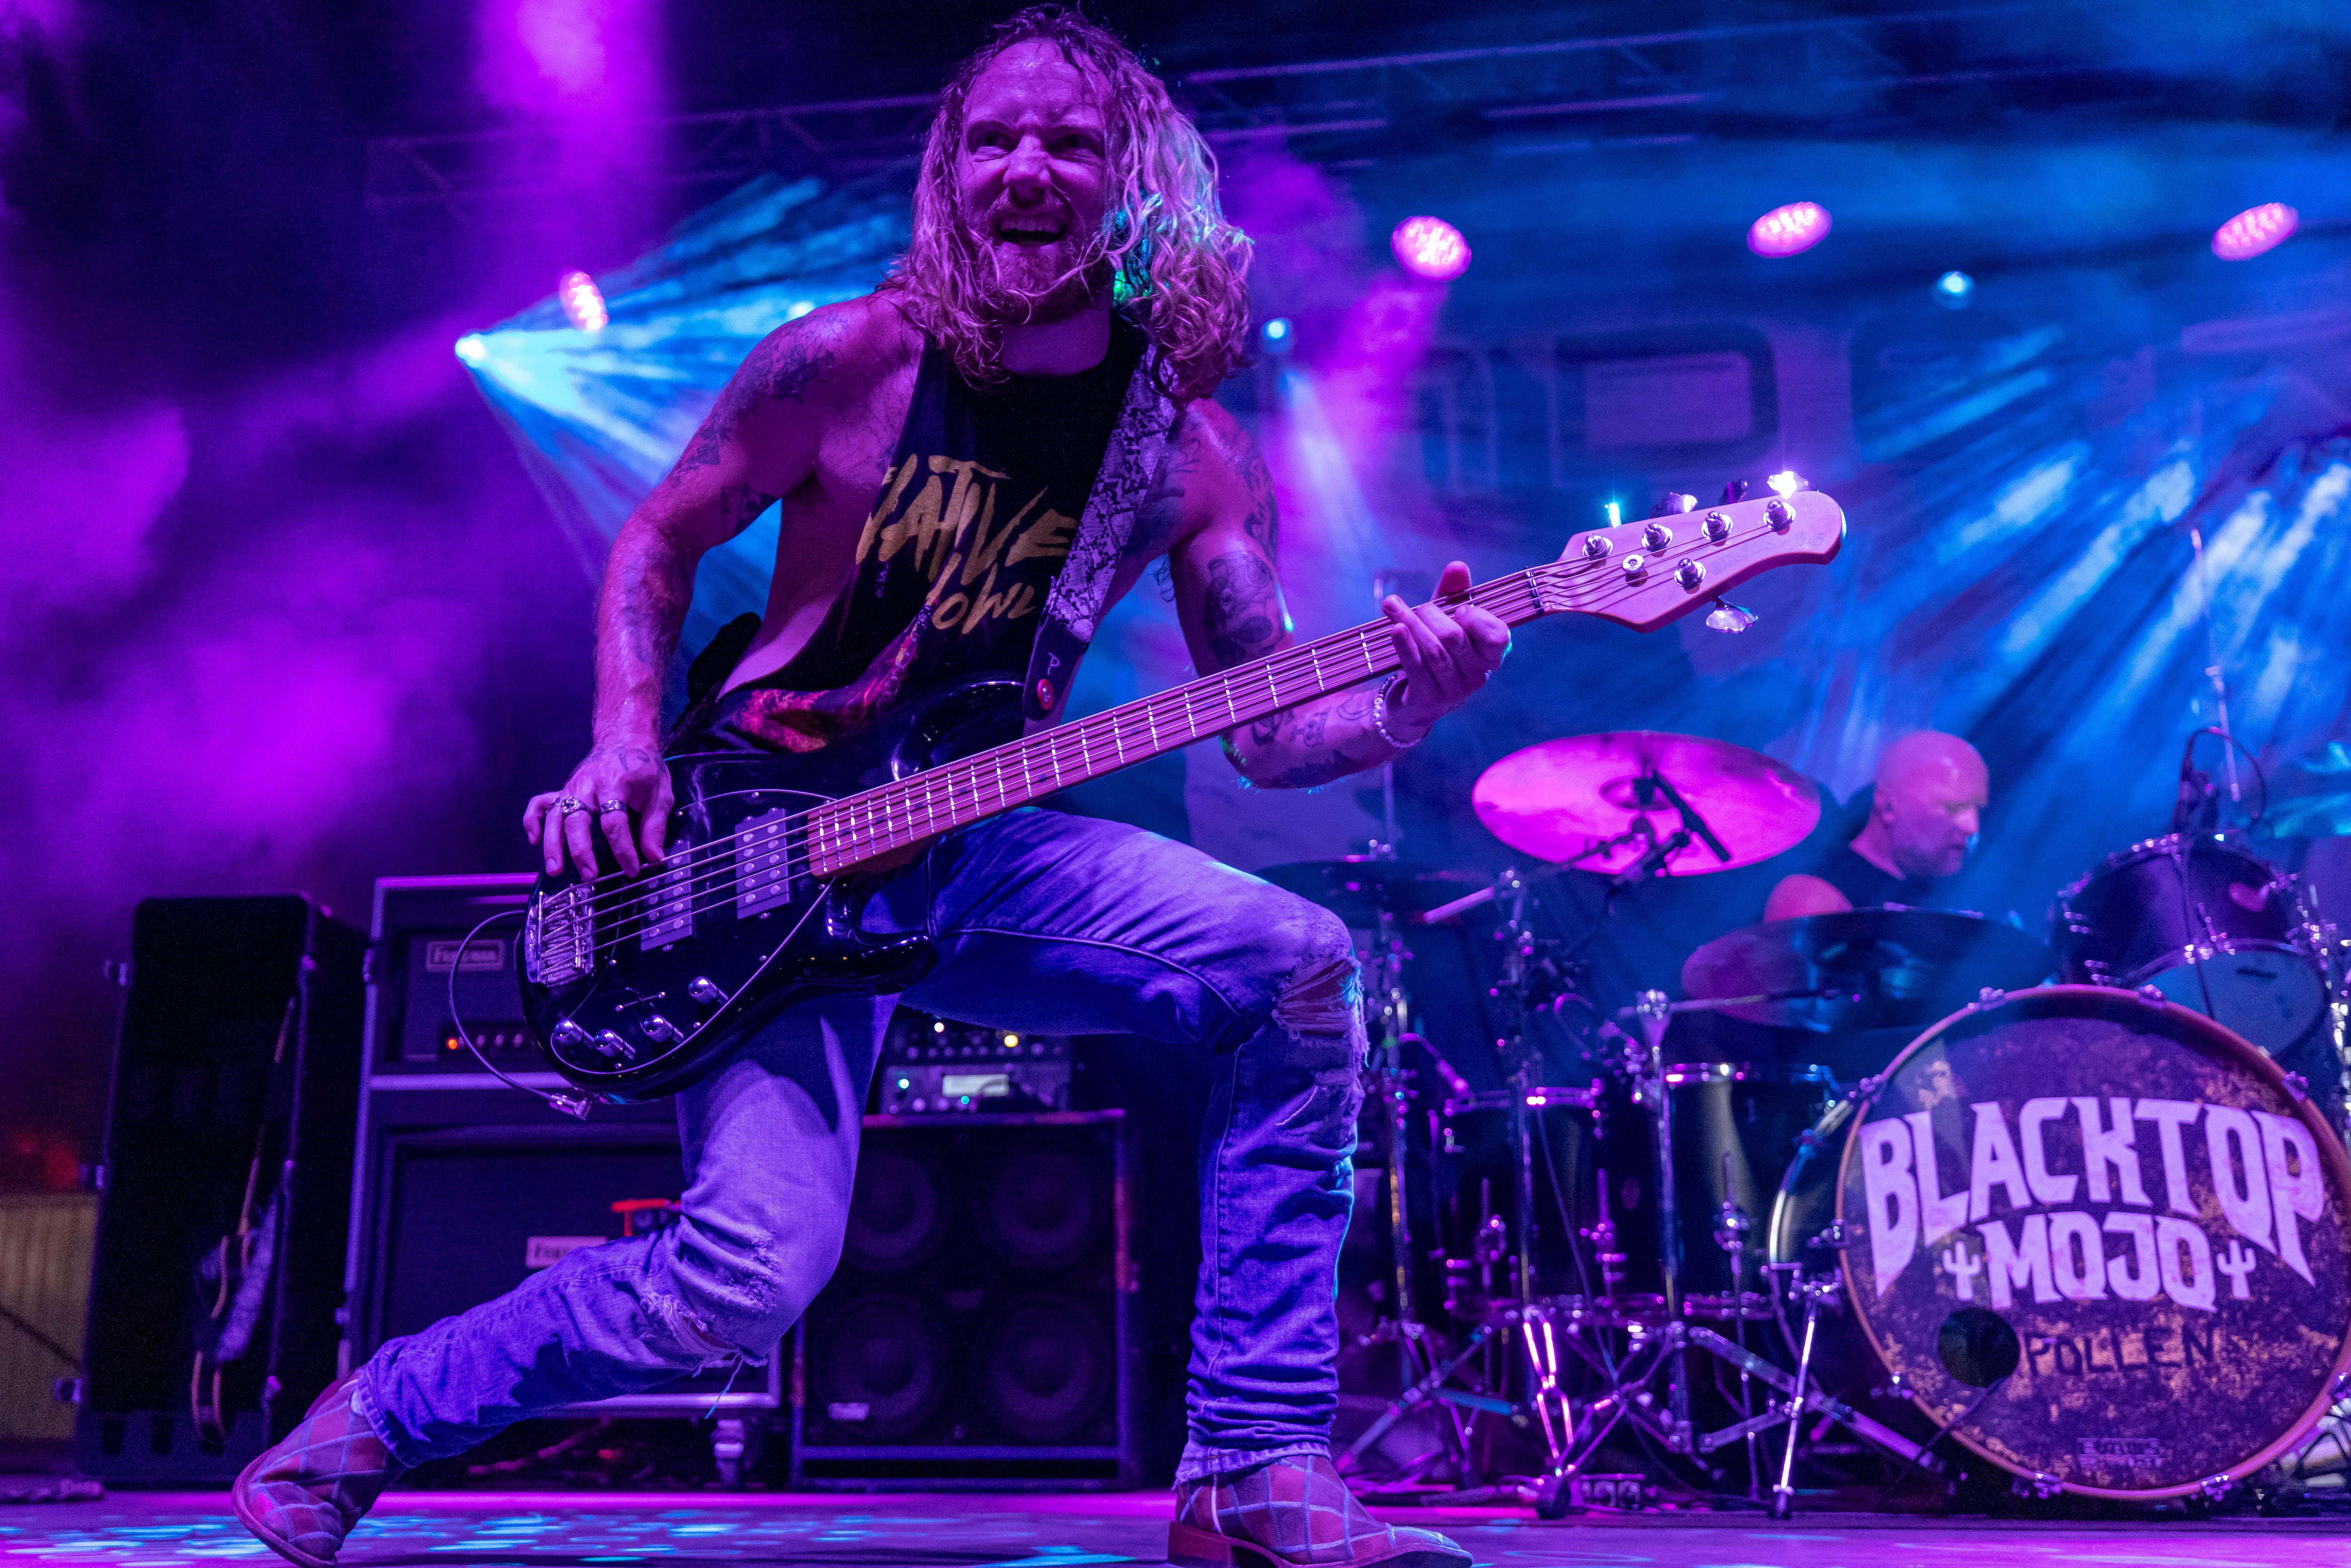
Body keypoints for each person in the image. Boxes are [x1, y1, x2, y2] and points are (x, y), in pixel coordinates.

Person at [233, 11, 1507, 1568]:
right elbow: (658, 540)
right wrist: (627, 736)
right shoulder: (849, 361)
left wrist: (1403, 709)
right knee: (743, 1279)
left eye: (1069, 140)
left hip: (979, 837)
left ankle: (1249, 1462)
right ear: (947, 169)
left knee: (1300, 974)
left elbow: (1270, 725)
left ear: (1135, 179)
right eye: (992, 137)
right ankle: (374, 1415)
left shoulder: (1182, 446)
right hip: (761, 845)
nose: (1026, 166)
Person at [1762, 730, 1988, 920]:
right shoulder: (1817, 897)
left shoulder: (1945, 898)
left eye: (1976, 809)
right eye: (1953, 807)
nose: (1972, 827)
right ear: (1889, 806)